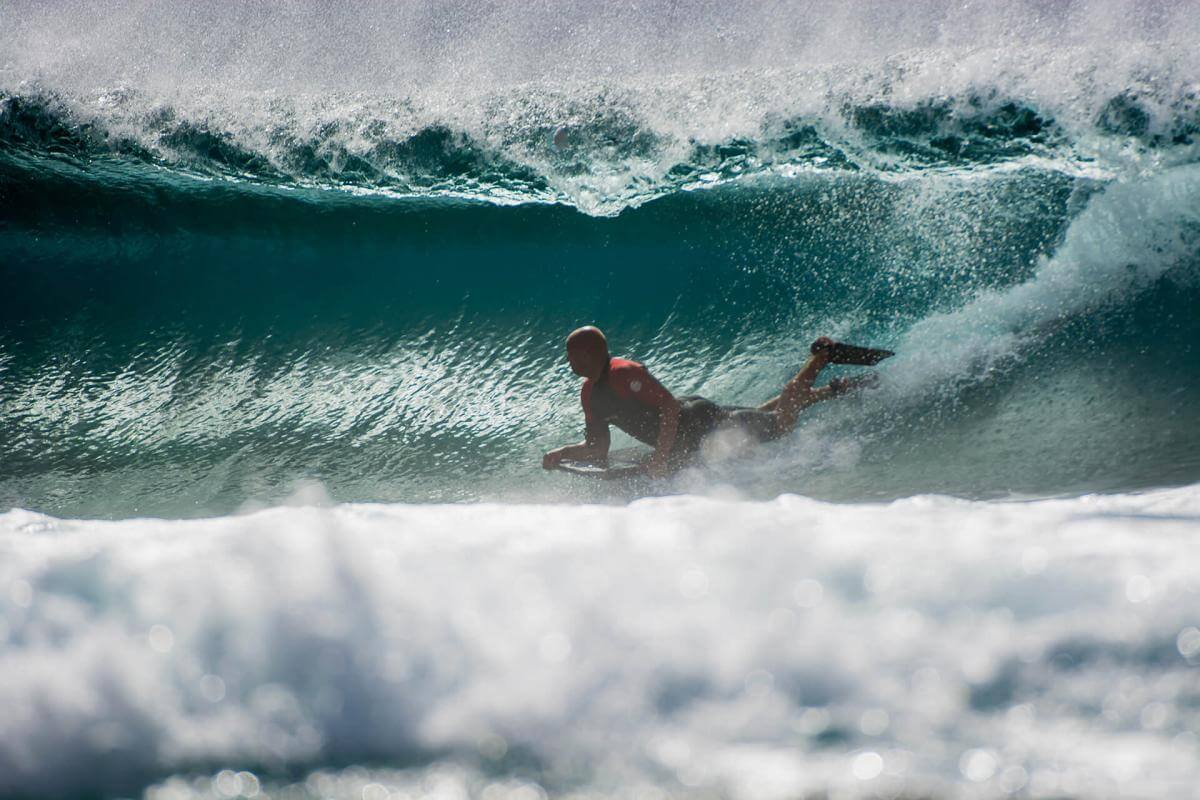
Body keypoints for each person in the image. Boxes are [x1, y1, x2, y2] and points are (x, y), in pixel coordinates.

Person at [541, 326, 876, 478]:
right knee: (760, 414)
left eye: (573, 357)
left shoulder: (624, 372)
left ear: (590, 354)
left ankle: (821, 358)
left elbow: (669, 407)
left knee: (780, 424)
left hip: (700, 422)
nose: (569, 364)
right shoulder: (590, 393)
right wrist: (563, 453)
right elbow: (598, 447)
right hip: (695, 427)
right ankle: (834, 390)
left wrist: (660, 457)